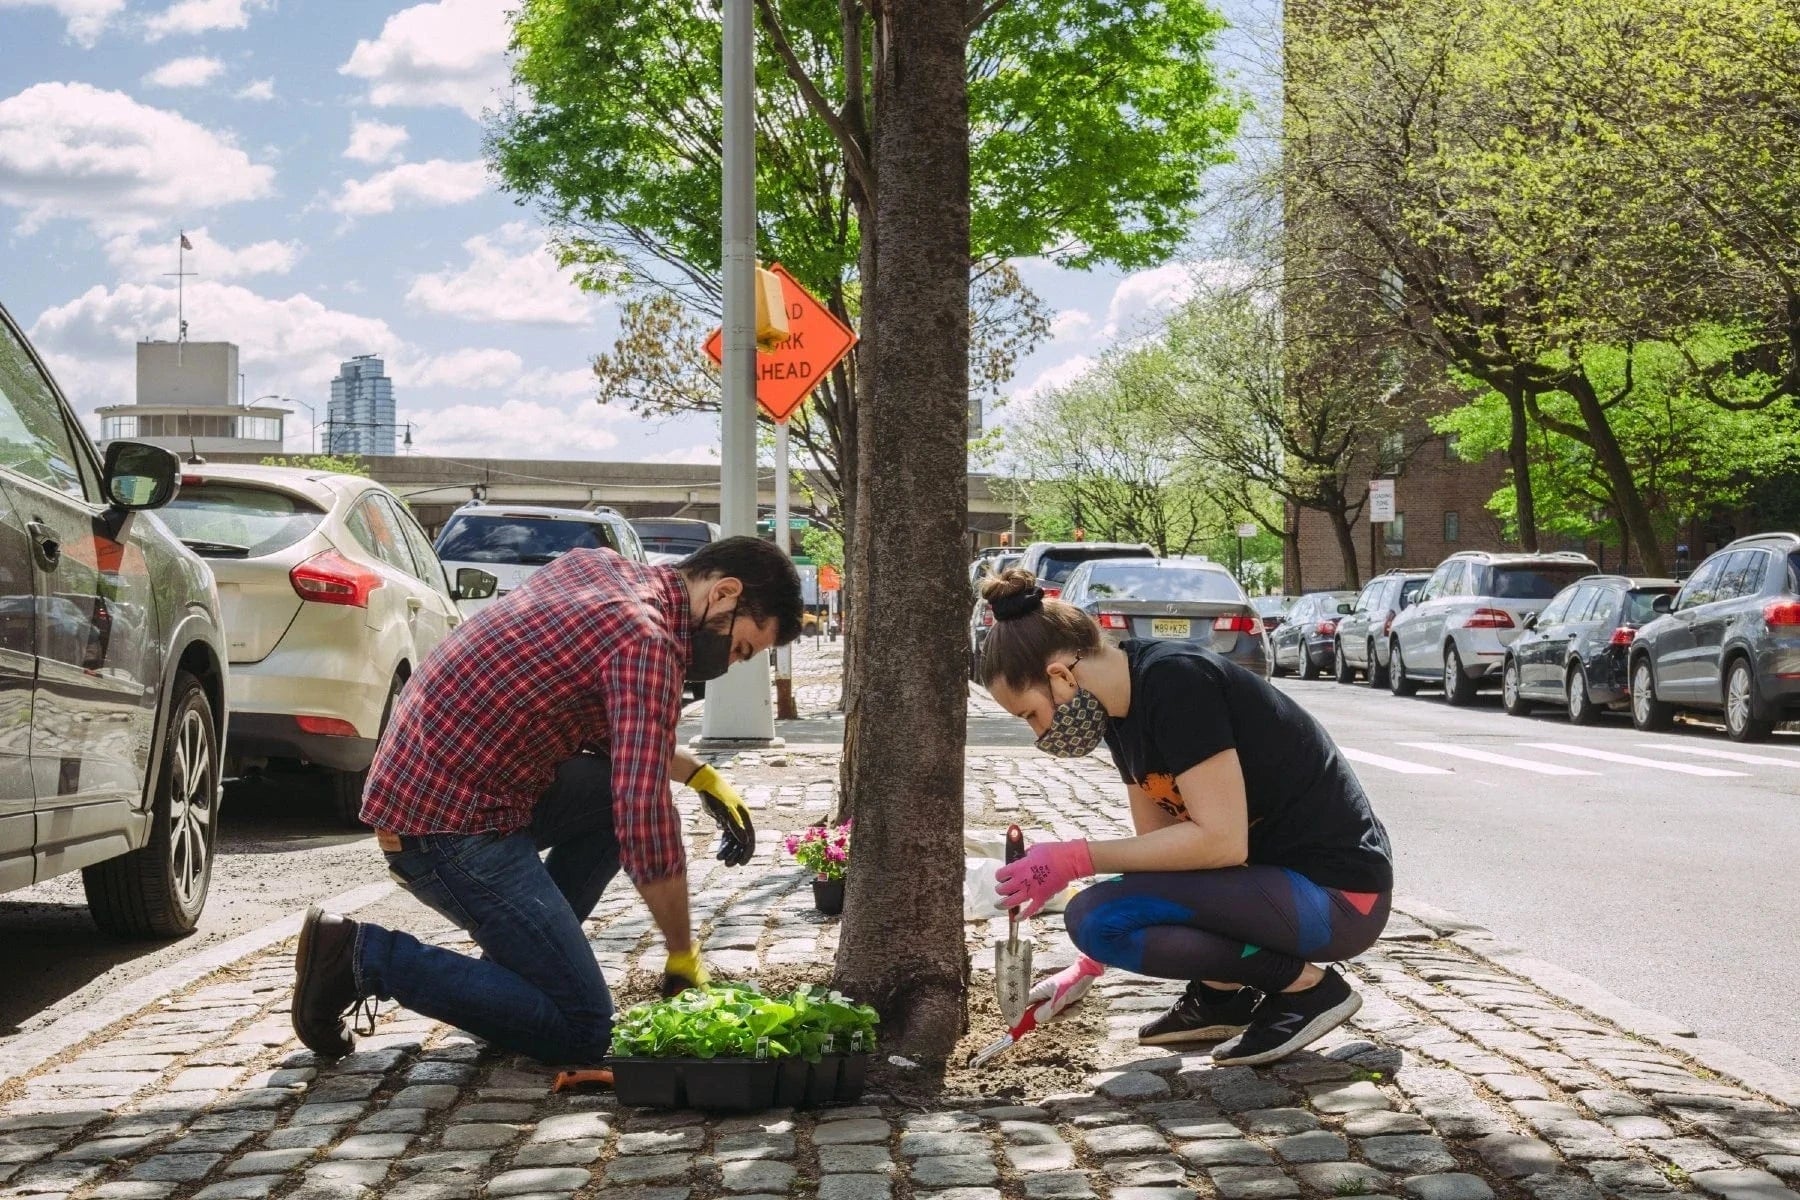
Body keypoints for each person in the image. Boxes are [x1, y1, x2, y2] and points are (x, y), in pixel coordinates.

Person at [290, 536, 804, 1064]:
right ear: (724, 594)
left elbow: (627, 734)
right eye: (742, 647)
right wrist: (681, 953)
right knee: (581, 1030)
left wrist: (700, 776)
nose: (731, 661)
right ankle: (361, 956)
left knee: (607, 796)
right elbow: (642, 812)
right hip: (444, 829)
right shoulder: (646, 642)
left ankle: (507, 987)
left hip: (444, 786)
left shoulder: (599, 570)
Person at [982, 568, 1393, 1066]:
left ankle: (1308, 990)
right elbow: (1161, 858)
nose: (1037, 732)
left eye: (1029, 714)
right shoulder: (1119, 716)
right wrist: (1088, 967)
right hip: (1269, 890)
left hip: (1339, 900)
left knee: (1092, 915)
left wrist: (1075, 859)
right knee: (1099, 921)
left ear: (1061, 677)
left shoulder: (1178, 683)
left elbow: (1221, 843)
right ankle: (1223, 998)